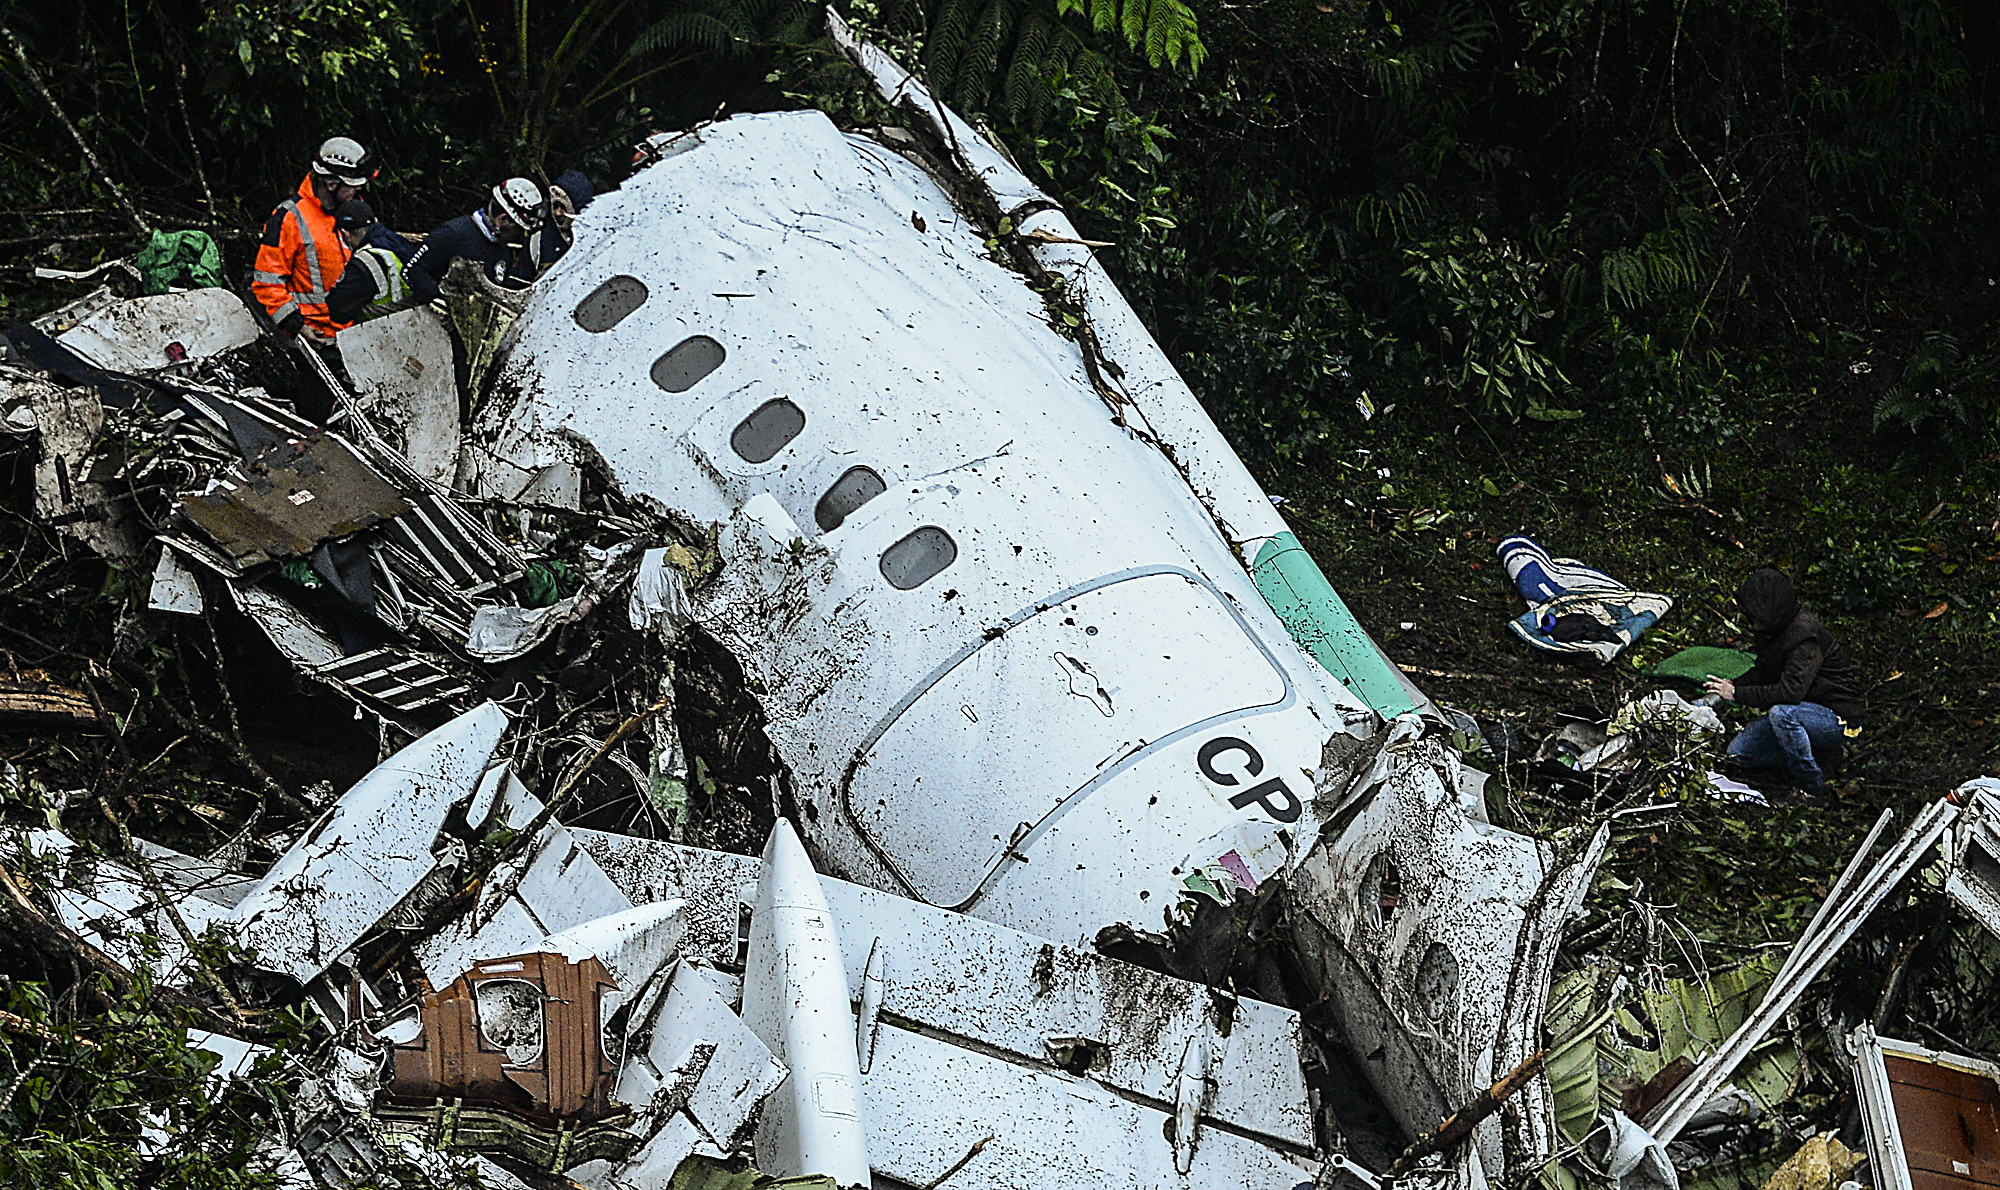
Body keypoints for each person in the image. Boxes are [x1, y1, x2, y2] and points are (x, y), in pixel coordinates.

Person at [1704, 568, 1863, 797]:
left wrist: (1738, 694)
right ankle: (1822, 755)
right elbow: (1765, 671)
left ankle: (1811, 786)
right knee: (1738, 755)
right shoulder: (1772, 630)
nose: (1753, 623)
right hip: (1800, 711)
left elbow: (1790, 692)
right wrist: (1731, 686)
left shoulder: (1804, 636)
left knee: (1781, 714)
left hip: (1836, 717)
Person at [252, 136, 378, 344]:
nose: (359, 190)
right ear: (331, 184)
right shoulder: (290, 218)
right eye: (352, 185)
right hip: (314, 336)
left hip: (356, 332)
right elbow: (267, 283)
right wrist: (296, 326)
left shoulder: (356, 211)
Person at [404, 176, 546, 295]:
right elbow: (412, 271)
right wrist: (442, 301)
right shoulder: (452, 234)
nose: (520, 236)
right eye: (519, 229)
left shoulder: (503, 250)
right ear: (504, 220)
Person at [327, 200, 429, 324]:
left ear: (345, 234)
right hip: (421, 324)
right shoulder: (400, 243)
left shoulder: (364, 261)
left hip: (380, 333)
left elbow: (337, 310)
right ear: (375, 220)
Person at [523, 170, 594, 277]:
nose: (557, 213)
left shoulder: (596, 239)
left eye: (563, 207)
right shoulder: (538, 241)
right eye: (555, 206)